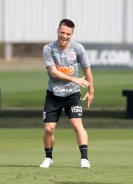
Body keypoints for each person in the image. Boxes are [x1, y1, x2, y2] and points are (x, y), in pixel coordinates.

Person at [39, 19, 94, 169]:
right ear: (57, 31)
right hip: (53, 94)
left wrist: (91, 91)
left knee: (77, 125)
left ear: (72, 34)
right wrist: (73, 79)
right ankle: (48, 158)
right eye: (62, 32)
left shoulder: (78, 48)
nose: (65, 36)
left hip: (73, 95)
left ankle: (84, 159)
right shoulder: (48, 49)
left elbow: (86, 69)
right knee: (48, 128)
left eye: (68, 33)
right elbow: (53, 72)